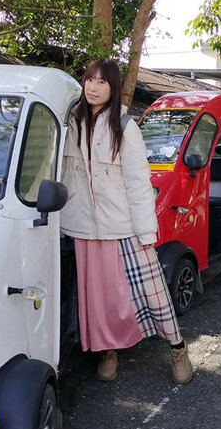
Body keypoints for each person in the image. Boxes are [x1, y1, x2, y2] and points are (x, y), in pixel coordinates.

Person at [60, 58, 193, 384]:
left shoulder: (125, 126)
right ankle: (108, 352)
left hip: (122, 226)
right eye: (89, 79)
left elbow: (138, 183)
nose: (92, 87)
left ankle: (177, 347)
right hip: (84, 229)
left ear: (113, 87)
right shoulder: (70, 123)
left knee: (151, 291)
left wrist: (146, 229)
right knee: (100, 298)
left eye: (101, 82)